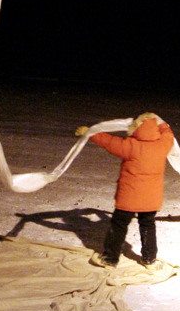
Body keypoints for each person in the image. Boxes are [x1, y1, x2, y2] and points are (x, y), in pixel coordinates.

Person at [75, 112, 174, 270]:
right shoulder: (162, 144)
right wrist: (160, 122)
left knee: (119, 226)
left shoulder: (130, 145)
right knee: (148, 225)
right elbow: (168, 132)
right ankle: (149, 259)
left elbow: (108, 141)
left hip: (129, 197)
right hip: (151, 198)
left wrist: (90, 133)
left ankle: (110, 258)